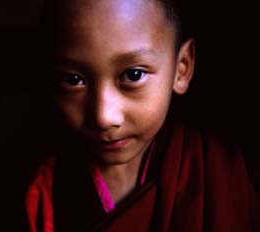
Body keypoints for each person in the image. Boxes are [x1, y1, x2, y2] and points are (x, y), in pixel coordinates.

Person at [24, 0, 259, 231]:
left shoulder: (226, 172)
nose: (104, 117)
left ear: (182, 67)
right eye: (73, 80)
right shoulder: (43, 191)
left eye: (134, 75)